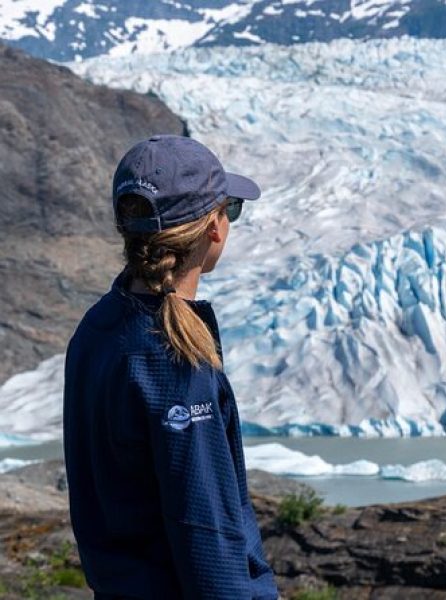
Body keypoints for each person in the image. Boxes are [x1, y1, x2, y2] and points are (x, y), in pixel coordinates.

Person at [62, 134, 280, 599]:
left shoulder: (97, 328)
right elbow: (207, 534)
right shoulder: (174, 361)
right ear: (213, 229)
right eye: (230, 210)